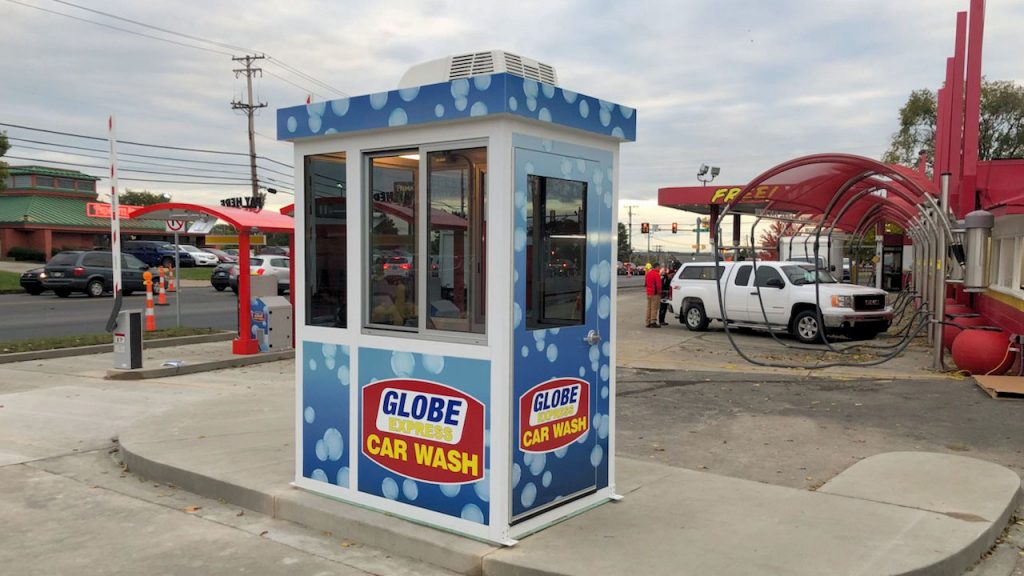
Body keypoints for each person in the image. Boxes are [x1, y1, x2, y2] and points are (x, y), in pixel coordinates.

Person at [645, 262, 663, 328]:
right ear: (656, 267)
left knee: (649, 308)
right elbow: (658, 285)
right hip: (655, 294)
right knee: (654, 308)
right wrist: (659, 292)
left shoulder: (648, 274)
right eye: (659, 267)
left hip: (649, 293)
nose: (659, 268)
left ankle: (648, 322)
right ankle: (653, 322)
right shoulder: (656, 274)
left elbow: (646, 283)